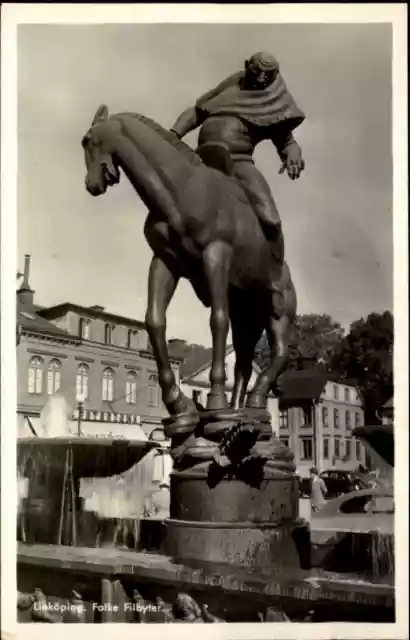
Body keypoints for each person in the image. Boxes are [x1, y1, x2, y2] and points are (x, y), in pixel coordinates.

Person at [170, 51, 306, 310]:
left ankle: (275, 279)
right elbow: (196, 112)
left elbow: (285, 139)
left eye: (267, 77)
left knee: (272, 220)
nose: (260, 81)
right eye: (256, 74)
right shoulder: (232, 84)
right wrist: (173, 135)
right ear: (247, 67)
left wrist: (293, 152)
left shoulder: (275, 98)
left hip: (239, 163)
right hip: (201, 161)